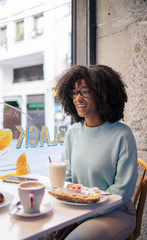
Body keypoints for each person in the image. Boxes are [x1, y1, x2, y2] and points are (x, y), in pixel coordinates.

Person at [54, 64, 138, 240]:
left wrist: (82, 216)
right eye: (74, 92)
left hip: (116, 212)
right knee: (40, 232)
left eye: (85, 91)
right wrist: (72, 215)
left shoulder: (122, 134)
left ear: (102, 94)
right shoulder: (72, 133)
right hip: (78, 210)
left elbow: (122, 191)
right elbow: (67, 180)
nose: (78, 98)